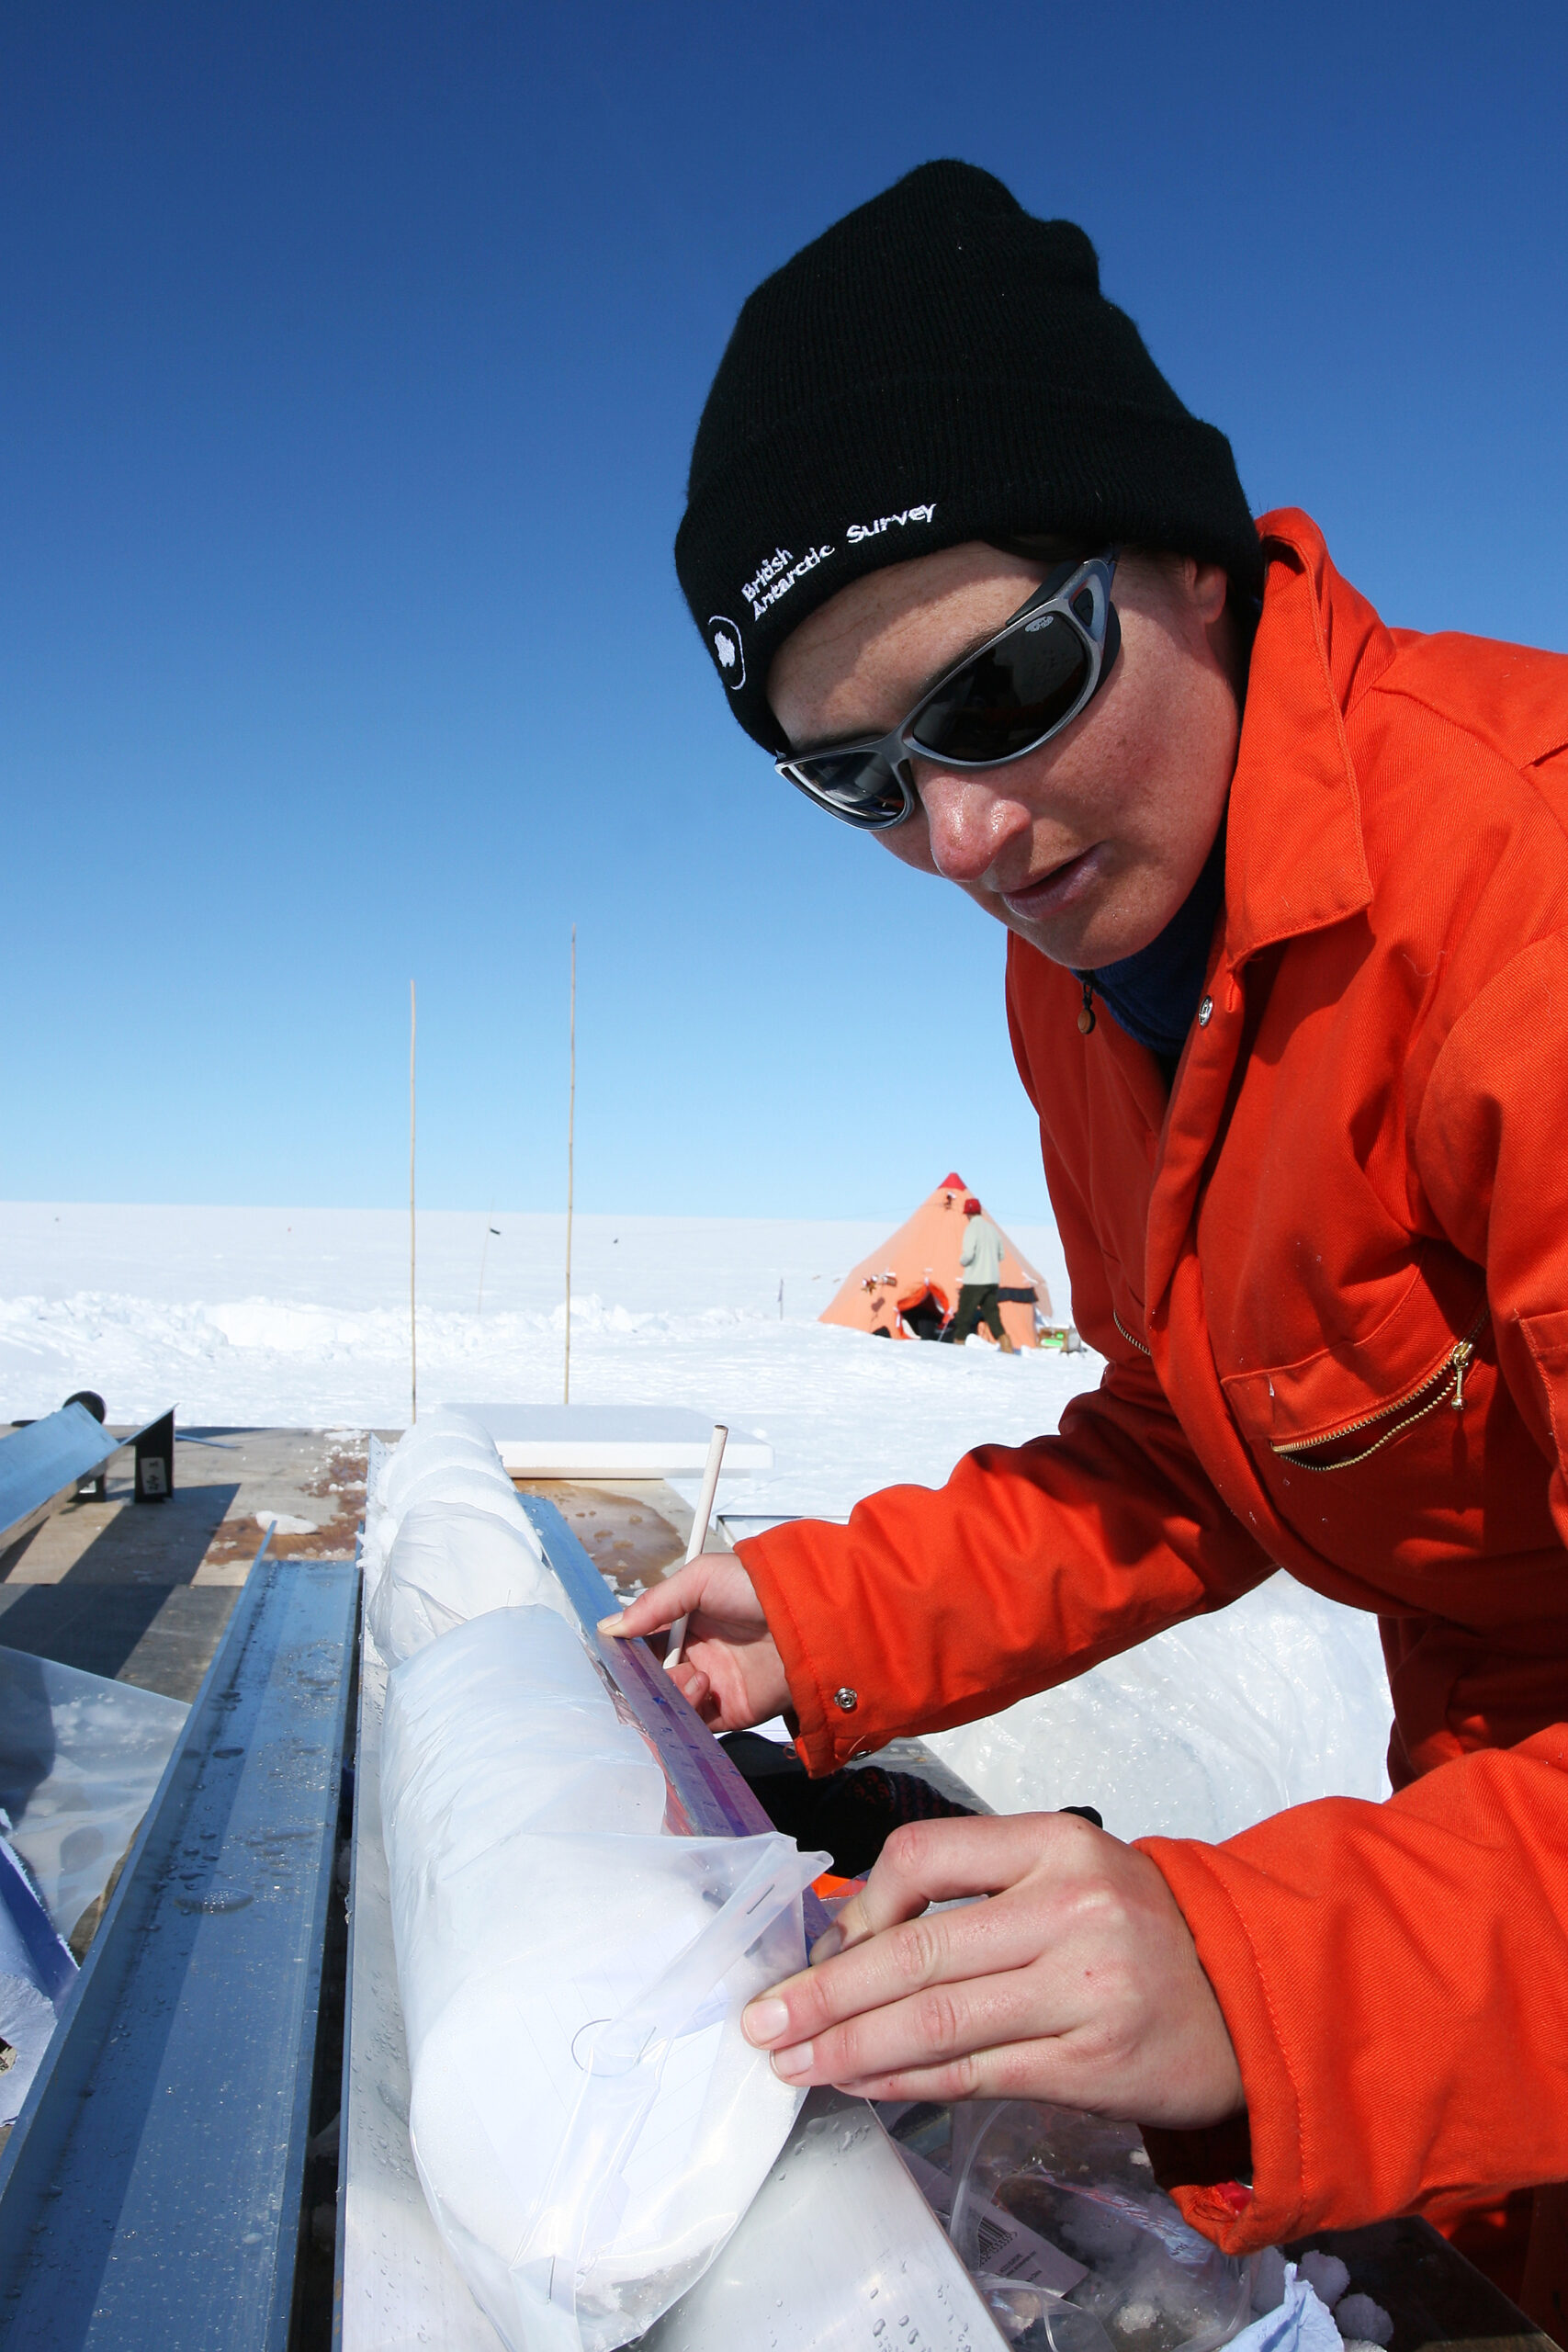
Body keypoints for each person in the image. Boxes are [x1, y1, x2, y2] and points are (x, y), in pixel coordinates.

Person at [610, 161, 1568, 2312]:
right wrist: (809, 1610)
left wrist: (1253, 1967)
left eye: (1002, 684)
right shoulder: (1097, 982)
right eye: (849, 778)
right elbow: (1193, 1441)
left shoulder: (1522, 891)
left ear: (1193, 568)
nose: (956, 834)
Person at [942, 1195, 1015, 1351]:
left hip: (975, 1280)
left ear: (968, 1214)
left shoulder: (971, 1229)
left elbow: (968, 1254)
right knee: (992, 1315)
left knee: (964, 1315)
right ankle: (1006, 1344)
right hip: (992, 1280)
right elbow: (1001, 1255)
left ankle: (959, 1345)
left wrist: (962, 1261)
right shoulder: (991, 1229)